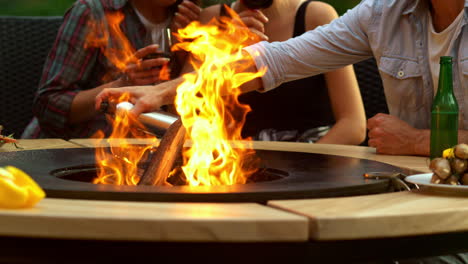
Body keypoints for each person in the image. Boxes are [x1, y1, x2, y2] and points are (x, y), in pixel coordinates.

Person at [95, 0, 468, 157]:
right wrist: (161, 91)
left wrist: (420, 141)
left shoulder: (317, 10)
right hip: (419, 193)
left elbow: (353, 126)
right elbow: (274, 60)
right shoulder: (385, 14)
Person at [21, 0, 201, 139]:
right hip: (74, 154)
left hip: (143, 157)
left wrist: (186, 55)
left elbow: (188, 111)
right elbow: (48, 104)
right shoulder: (94, 12)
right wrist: (123, 84)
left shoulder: (195, 20)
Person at [195, 0, 366, 144]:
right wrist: (221, 52)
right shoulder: (213, 20)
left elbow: (353, 125)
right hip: (235, 162)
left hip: (313, 157)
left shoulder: (316, 15)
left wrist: (301, 168)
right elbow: (185, 106)